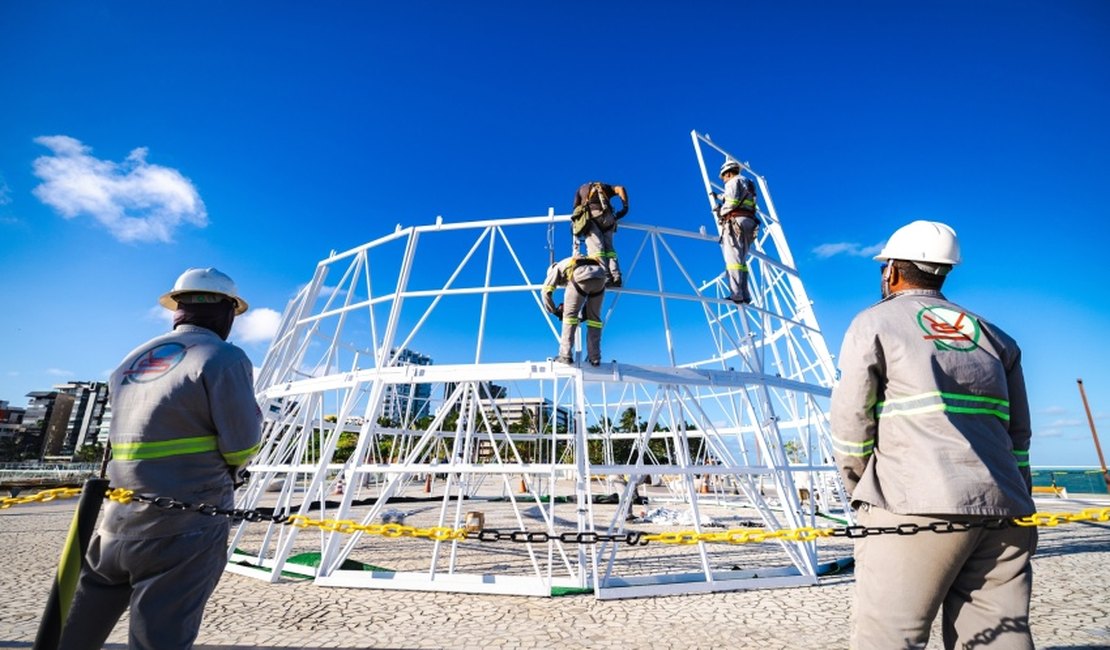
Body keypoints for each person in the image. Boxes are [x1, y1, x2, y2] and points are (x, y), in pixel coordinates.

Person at [829, 221, 1036, 650]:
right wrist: (1017, 495)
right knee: (999, 638)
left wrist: (862, 490)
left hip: (911, 503)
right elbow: (1019, 436)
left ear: (891, 271)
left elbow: (852, 425)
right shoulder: (995, 337)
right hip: (1004, 507)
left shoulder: (875, 324)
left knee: (889, 638)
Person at [59, 267, 262, 650]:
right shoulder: (224, 358)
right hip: (185, 524)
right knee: (161, 637)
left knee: (75, 631)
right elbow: (241, 444)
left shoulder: (132, 360)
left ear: (177, 309)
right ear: (227, 313)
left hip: (116, 521)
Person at [542, 255, 608, 366]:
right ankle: (595, 358)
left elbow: (545, 292)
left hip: (580, 275)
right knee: (594, 320)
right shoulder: (571, 260)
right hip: (600, 276)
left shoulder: (555, 269)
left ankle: (565, 355)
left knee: (569, 318)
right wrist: (585, 311)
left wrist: (553, 310)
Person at [713, 160, 759, 304]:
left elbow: (732, 202)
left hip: (735, 222)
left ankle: (736, 294)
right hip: (749, 222)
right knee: (741, 262)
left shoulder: (732, 182)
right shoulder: (748, 182)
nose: (723, 181)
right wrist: (719, 197)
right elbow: (738, 197)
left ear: (728, 173)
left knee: (733, 260)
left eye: (724, 177)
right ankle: (745, 295)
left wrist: (721, 211)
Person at [572, 181, 628, 287]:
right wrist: (625, 207)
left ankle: (605, 276)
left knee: (597, 249)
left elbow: (576, 209)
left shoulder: (581, 189)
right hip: (609, 218)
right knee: (609, 249)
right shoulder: (604, 186)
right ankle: (616, 276)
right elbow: (621, 188)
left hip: (593, 217)